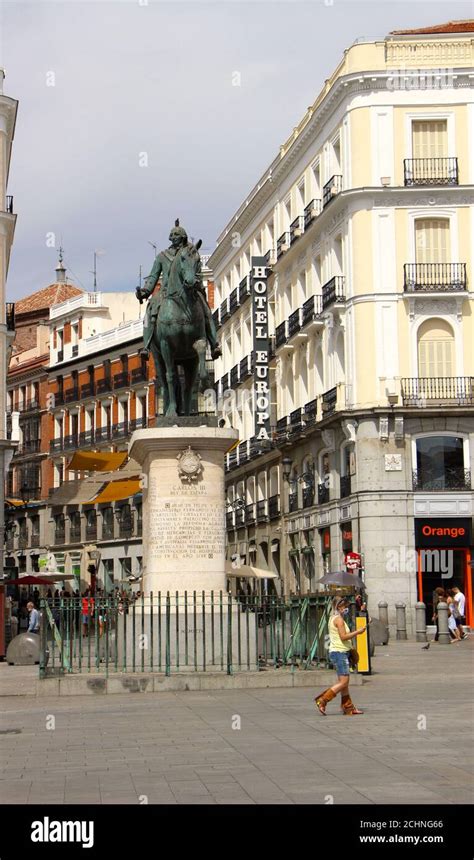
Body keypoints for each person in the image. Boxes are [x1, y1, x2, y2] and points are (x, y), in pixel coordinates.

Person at [136, 220, 221, 360]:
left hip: (190, 289)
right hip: (166, 292)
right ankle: (146, 346)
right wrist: (145, 291)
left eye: (178, 235)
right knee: (150, 312)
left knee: (206, 310)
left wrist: (197, 283)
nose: (175, 237)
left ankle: (214, 344)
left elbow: (196, 271)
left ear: (183, 237)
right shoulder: (162, 257)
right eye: (173, 235)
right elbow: (153, 276)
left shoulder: (190, 253)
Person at [314, 596, 367, 715]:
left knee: (344, 683)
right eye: (345, 606)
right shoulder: (339, 620)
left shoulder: (333, 618)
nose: (347, 608)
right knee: (343, 682)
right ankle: (323, 700)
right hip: (340, 653)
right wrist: (358, 632)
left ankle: (348, 707)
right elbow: (343, 637)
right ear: (339, 607)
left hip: (338, 652)